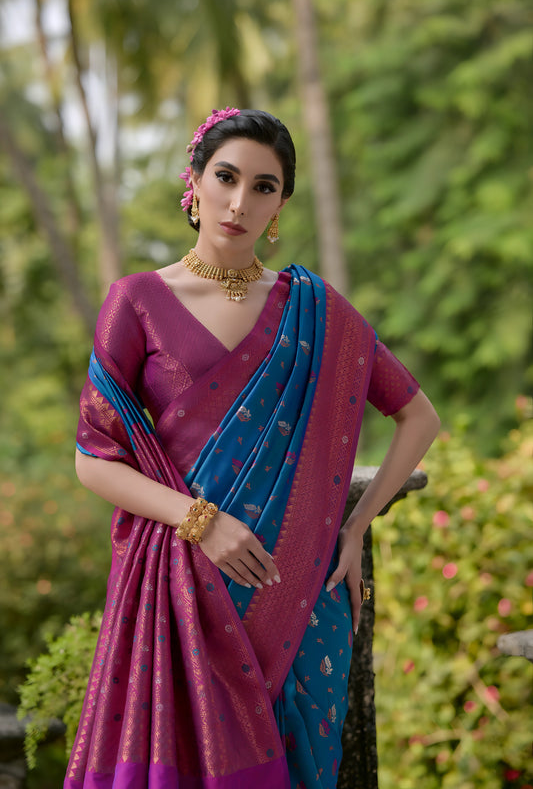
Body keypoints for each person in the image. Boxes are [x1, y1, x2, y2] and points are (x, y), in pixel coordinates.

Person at [65, 108, 440, 789]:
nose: (239, 202)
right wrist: (199, 522)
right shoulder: (138, 300)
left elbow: (418, 416)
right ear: (195, 183)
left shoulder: (314, 310)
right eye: (226, 177)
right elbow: (94, 459)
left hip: (301, 592)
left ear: (280, 205)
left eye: (263, 187)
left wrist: (354, 531)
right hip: (184, 590)